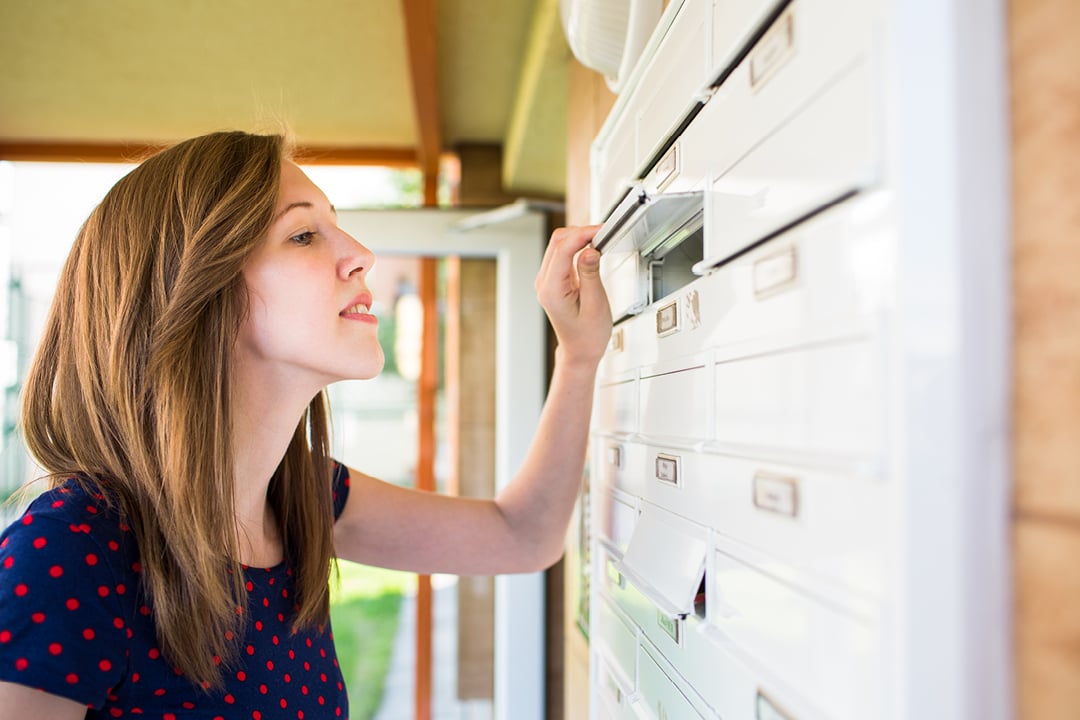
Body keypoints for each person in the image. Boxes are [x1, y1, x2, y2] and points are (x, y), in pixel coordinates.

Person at [0, 131, 611, 718]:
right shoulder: (73, 548)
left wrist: (579, 357)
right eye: (302, 235)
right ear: (195, 288)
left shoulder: (303, 499)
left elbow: (523, 537)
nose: (361, 255)